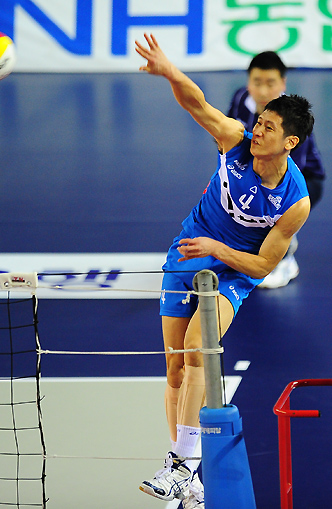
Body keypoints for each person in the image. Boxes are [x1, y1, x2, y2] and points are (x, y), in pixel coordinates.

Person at [134, 33, 313, 508]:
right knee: (175, 367)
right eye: (259, 121)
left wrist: (220, 248)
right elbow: (197, 104)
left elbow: (264, 264)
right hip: (189, 250)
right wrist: (169, 71)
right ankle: (185, 476)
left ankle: (180, 466)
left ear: (289, 142)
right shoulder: (234, 140)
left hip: (234, 270)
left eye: (269, 128)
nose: (257, 131)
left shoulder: (294, 202)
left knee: (199, 348)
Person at [227, 51, 325, 288]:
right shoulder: (240, 99)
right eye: (256, 82)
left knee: (273, 210)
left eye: (270, 83)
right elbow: (229, 140)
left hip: (303, 180)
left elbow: (285, 173)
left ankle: (286, 258)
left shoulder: (292, 119)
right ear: (248, 82)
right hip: (256, 170)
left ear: (282, 83)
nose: (262, 91)